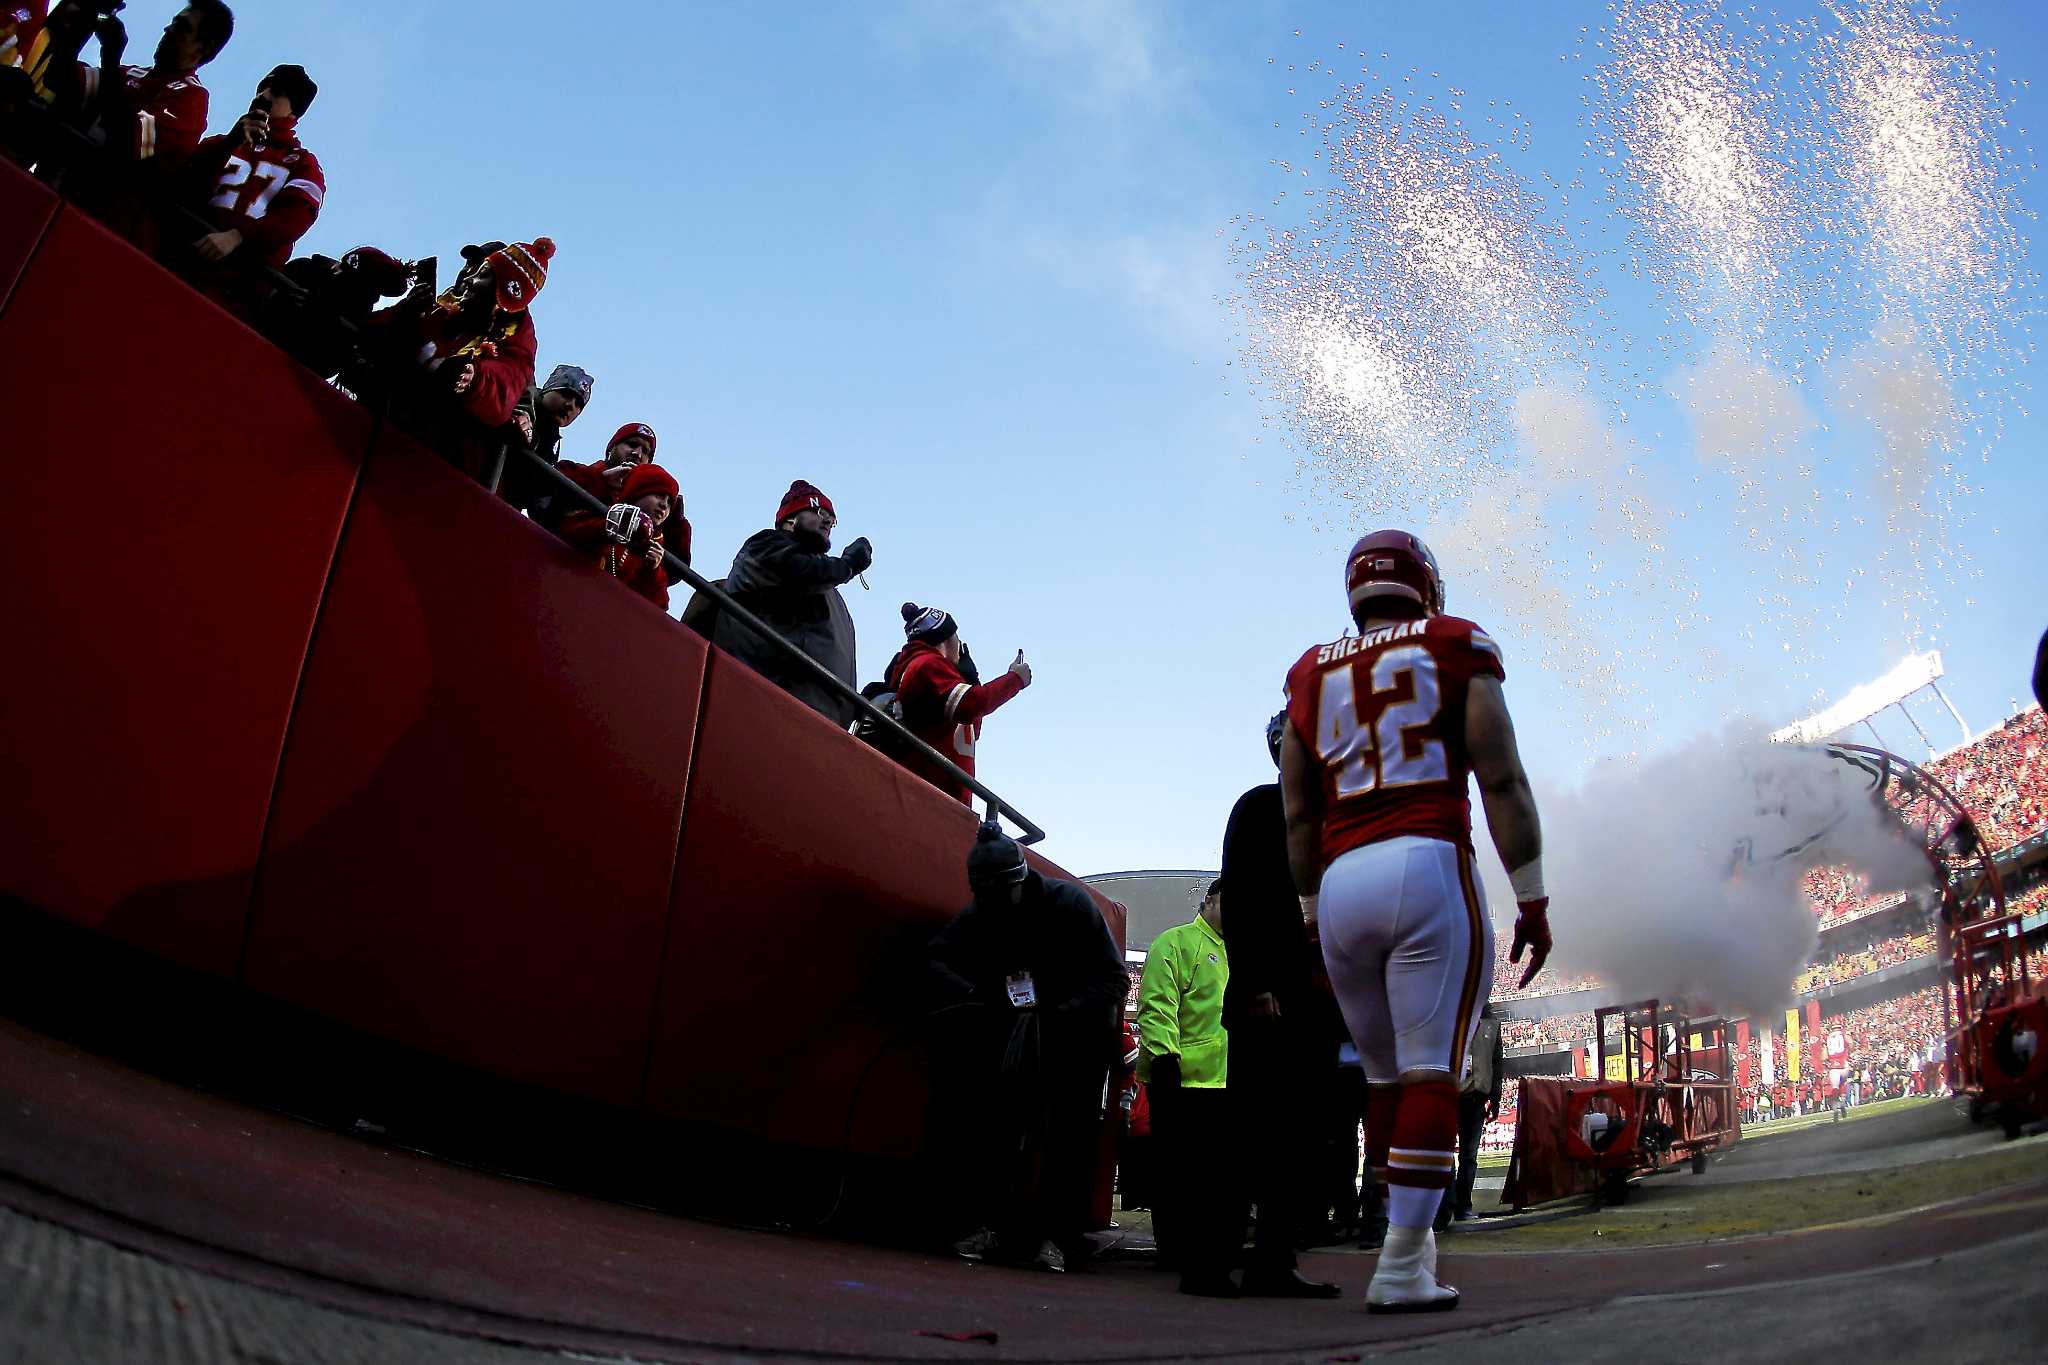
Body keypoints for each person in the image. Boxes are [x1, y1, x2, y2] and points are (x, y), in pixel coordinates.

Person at [1278, 529, 1549, 1314]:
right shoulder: (1456, 641)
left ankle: (1414, 1252)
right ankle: (1399, 1267)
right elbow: (1499, 774)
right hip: (1425, 857)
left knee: (1386, 1078)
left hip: (1338, 881)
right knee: (1434, 1071)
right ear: (1427, 585)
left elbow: (1298, 812)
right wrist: (1532, 895)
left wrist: (1308, 911)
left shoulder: (1307, 671)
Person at [927, 823, 1129, 1273]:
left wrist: (1062, 1010)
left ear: (1018, 882)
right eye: (986, 900)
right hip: (1016, 1032)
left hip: (1076, 1036)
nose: (995, 909)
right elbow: (935, 958)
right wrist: (978, 991)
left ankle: (1057, 1237)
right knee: (996, 1127)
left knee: (1069, 1136)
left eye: (1000, 898)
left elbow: (1113, 978)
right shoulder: (982, 913)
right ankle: (993, 1226)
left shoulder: (1070, 905)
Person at [1217, 711, 1342, 1298]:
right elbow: (1242, 903)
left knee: (1297, 1139)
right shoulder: (1258, 810)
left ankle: (1273, 1259)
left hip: (1311, 1006)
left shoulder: (1327, 822)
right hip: (1268, 1001)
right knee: (1250, 1133)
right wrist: (1255, 983)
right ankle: (1211, 1265)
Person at [357, 236, 550, 482]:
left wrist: (474, 378)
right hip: (372, 433)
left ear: (501, 294)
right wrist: (406, 314)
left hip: (434, 473)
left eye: (480, 272)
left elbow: (504, 387)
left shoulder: (516, 343)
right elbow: (366, 334)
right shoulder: (440, 310)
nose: (468, 278)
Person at [39, 2, 233, 241]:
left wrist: (110, 55)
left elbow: (125, 143)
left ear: (202, 48)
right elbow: (58, 78)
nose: (167, 29)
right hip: (53, 194)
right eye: (172, 22)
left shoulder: (191, 98)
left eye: (181, 27)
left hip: (100, 226)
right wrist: (85, 22)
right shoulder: (130, 73)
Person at [1135, 879, 1234, 1296]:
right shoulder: (1175, 942)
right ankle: (1173, 1248)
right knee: (1176, 1167)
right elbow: (1158, 1004)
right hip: (1179, 1074)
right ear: (1210, 901)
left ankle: (1200, 1247)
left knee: (1210, 1173)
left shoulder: (1239, 952)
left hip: (1223, 1079)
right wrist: (1165, 1060)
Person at [712, 480, 870, 727]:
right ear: (791, 518)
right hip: (772, 699)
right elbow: (802, 572)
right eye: (820, 512)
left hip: (821, 717)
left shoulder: (830, 588)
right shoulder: (766, 545)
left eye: (832, 518)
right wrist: (848, 565)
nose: (828, 521)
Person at [880, 603, 1031, 803]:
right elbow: (972, 706)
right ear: (946, 639)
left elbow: (969, 730)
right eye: (957, 637)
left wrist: (970, 680)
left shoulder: (931, 671)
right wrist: (1015, 679)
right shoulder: (926, 664)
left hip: (944, 798)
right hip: (928, 795)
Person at [183, 63, 321, 274]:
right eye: (262, 87)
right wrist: (229, 143)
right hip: (182, 255)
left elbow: (295, 218)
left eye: (276, 92)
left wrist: (238, 236)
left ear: (294, 112)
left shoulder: (302, 164)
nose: (263, 95)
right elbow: (182, 182)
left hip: (240, 283)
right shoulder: (219, 143)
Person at [261, 244, 412, 382]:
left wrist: (322, 319)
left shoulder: (356, 317)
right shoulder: (306, 269)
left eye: (349, 279)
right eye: (341, 267)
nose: (336, 271)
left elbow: (328, 365)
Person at [548, 423, 690, 563]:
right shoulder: (582, 473)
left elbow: (676, 569)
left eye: (646, 452)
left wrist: (677, 523)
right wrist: (601, 479)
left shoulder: (652, 511)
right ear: (611, 448)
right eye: (632, 444)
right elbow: (548, 487)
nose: (638, 454)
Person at [557, 462, 680, 611]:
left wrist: (651, 572)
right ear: (638, 491)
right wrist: (606, 527)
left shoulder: (654, 549)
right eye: (659, 495)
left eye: (669, 502)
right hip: (568, 594)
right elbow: (565, 532)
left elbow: (659, 608)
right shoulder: (602, 511)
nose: (664, 505)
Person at [1443, 1002, 1503, 1228]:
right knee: (1447, 1154)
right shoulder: (1451, 1014)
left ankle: (1463, 1206)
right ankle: (1446, 1206)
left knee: (1469, 1156)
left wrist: (1495, 1096)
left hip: (1476, 1097)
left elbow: (1497, 1061)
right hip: (1450, 1096)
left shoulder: (1491, 1022)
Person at [506, 363, 593, 515]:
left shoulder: (552, 440)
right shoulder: (518, 398)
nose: (570, 405)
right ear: (548, 389)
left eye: (578, 404)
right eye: (566, 394)